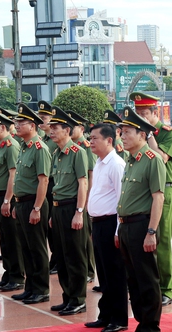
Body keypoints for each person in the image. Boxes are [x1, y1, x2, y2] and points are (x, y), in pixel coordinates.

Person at [116, 106, 166, 332]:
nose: (122, 136)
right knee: (133, 279)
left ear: (142, 135)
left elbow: (158, 197)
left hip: (141, 226)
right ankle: (141, 324)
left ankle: (152, 329)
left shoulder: (151, 160)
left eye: (127, 132)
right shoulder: (131, 160)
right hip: (126, 227)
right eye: (121, 132)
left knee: (147, 279)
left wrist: (151, 231)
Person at [130, 91, 172, 306]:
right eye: (137, 112)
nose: (140, 116)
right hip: (143, 192)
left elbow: (160, 157)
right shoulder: (136, 134)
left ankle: (166, 288)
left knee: (162, 240)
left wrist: (149, 135)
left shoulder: (167, 133)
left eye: (144, 113)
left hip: (164, 190)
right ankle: (149, 285)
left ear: (154, 112)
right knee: (144, 239)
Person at [84, 122, 129, 332]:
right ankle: (106, 314)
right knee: (103, 272)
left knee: (115, 272)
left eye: (94, 138)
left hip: (111, 223)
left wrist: (118, 230)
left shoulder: (116, 164)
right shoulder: (100, 162)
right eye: (90, 138)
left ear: (109, 140)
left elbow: (122, 200)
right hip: (99, 222)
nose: (90, 141)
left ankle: (119, 318)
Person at [7, 103, 52, 304]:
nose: (17, 125)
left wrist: (37, 208)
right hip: (22, 203)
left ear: (32, 126)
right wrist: (17, 203)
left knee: (37, 248)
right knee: (25, 247)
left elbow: (43, 180)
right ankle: (30, 287)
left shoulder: (40, 148)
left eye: (21, 122)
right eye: (16, 122)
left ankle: (41, 289)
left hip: (35, 203)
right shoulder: (24, 147)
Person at [48, 106, 89, 316]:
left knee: (75, 256)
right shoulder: (56, 153)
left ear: (67, 130)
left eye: (55, 127)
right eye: (51, 127)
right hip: (57, 208)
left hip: (72, 207)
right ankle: (67, 297)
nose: (51, 131)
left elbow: (83, 183)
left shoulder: (77, 153)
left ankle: (79, 298)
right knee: (62, 256)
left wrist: (80, 211)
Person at [0, 108, 25, 292]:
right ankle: (8, 274)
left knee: (12, 238)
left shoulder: (11, 146)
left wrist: (8, 200)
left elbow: (13, 175)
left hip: (7, 198)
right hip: (0, 197)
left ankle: (17, 276)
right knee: (4, 239)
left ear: (2, 127)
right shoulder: (1, 147)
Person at [67, 110, 97, 284]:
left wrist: (87, 200)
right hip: (76, 195)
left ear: (81, 127)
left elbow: (90, 175)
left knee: (85, 237)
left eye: (73, 126)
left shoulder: (85, 147)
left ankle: (90, 270)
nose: (70, 129)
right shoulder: (69, 147)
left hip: (85, 196)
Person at [36, 100, 60, 276]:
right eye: (40, 117)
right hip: (47, 185)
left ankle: (57, 260)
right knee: (48, 226)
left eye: (44, 117)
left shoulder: (54, 141)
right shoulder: (44, 140)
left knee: (54, 226)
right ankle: (54, 259)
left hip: (54, 183)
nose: (41, 121)